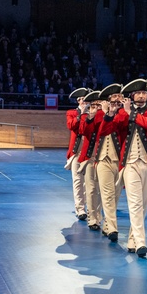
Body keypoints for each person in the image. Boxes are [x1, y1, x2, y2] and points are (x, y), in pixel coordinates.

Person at [113, 79, 147, 258]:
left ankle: (132, 239)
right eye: (138, 93)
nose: (141, 95)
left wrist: (131, 114)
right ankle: (141, 242)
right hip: (129, 163)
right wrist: (119, 112)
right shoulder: (122, 112)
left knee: (143, 204)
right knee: (134, 203)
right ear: (132, 95)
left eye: (144, 93)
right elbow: (116, 125)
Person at [91, 83, 125, 243]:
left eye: (120, 96)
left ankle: (107, 224)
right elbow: (102, 130)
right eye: (114, 97)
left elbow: (122, 126)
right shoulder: (100, 114)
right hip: (103, 158)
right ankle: (112, 227)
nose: (117, 99)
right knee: (107, 194)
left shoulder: (126, 114)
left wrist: (115, 113)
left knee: (116, 195)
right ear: (109, 99)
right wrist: (107, 114)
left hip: (120, 160)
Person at [78, 90, 103, 231]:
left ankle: (98, 215)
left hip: (104, 157)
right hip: (89, 156)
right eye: (93, 104)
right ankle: (93, 218)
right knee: (91, 189)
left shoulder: (107, 115)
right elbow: (83, 130)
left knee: (102, 190)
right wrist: (90, 117)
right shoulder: (86, 116)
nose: (95, 107)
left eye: (98, 104)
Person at [65, 87, 90, 221]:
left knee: (89, 182)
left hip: (90, 150)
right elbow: (72, 126)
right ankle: (80, 209)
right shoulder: (71, 113)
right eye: (80, 100)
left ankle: (89, 207)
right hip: (76, 151)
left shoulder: (93, 113)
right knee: (77, 181)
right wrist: (81, 114)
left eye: (85, 99)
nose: (82, 102)